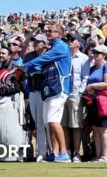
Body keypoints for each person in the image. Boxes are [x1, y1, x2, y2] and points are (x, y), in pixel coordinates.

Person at [21, 24, 72, 162]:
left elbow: (42, 59)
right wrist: (27, 68)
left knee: (52, 121)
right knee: (49, 122)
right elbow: (40, 65)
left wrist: (26, 65)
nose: (48, 33)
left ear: (59, 34)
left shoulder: (61, 46)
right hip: (49, 89)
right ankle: (54, 153)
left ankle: (64, 153)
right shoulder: (53, 48)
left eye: (51, 31)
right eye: (47, 31)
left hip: (59, 88)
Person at [62, 33, 90, 162]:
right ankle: (66, 151)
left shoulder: (84, 58)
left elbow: (85, 77)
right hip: (63, 94)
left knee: (76, 125)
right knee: (64, 125)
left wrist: (80, 92)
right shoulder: (64, 56)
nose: (69, 42)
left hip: (75, 94)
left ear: (78, 43)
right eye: (68, 39)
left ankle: (77, 153)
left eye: (72, 40)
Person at [84, 45, 107, 162]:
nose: (95, 54)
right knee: (96, 129)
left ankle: (104, 156)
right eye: (94, 52)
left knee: (104, 129)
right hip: (93, 100)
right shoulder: (92, 68)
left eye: (98, 52)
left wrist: (92, 86)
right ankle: (98, 156)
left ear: (104, 55)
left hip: (104, 102)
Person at [23, 34, 50, 162]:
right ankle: (42, 152)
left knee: (49, 123)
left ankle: (52, 151)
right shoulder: (29, 55)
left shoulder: (50, 54)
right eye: (35, 41)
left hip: (48, 92)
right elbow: (26, 69)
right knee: (39, 124)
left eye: (39, 41)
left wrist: (38, 70)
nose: (35, 43)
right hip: (33, 91)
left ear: (44, 44)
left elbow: (47, 70)